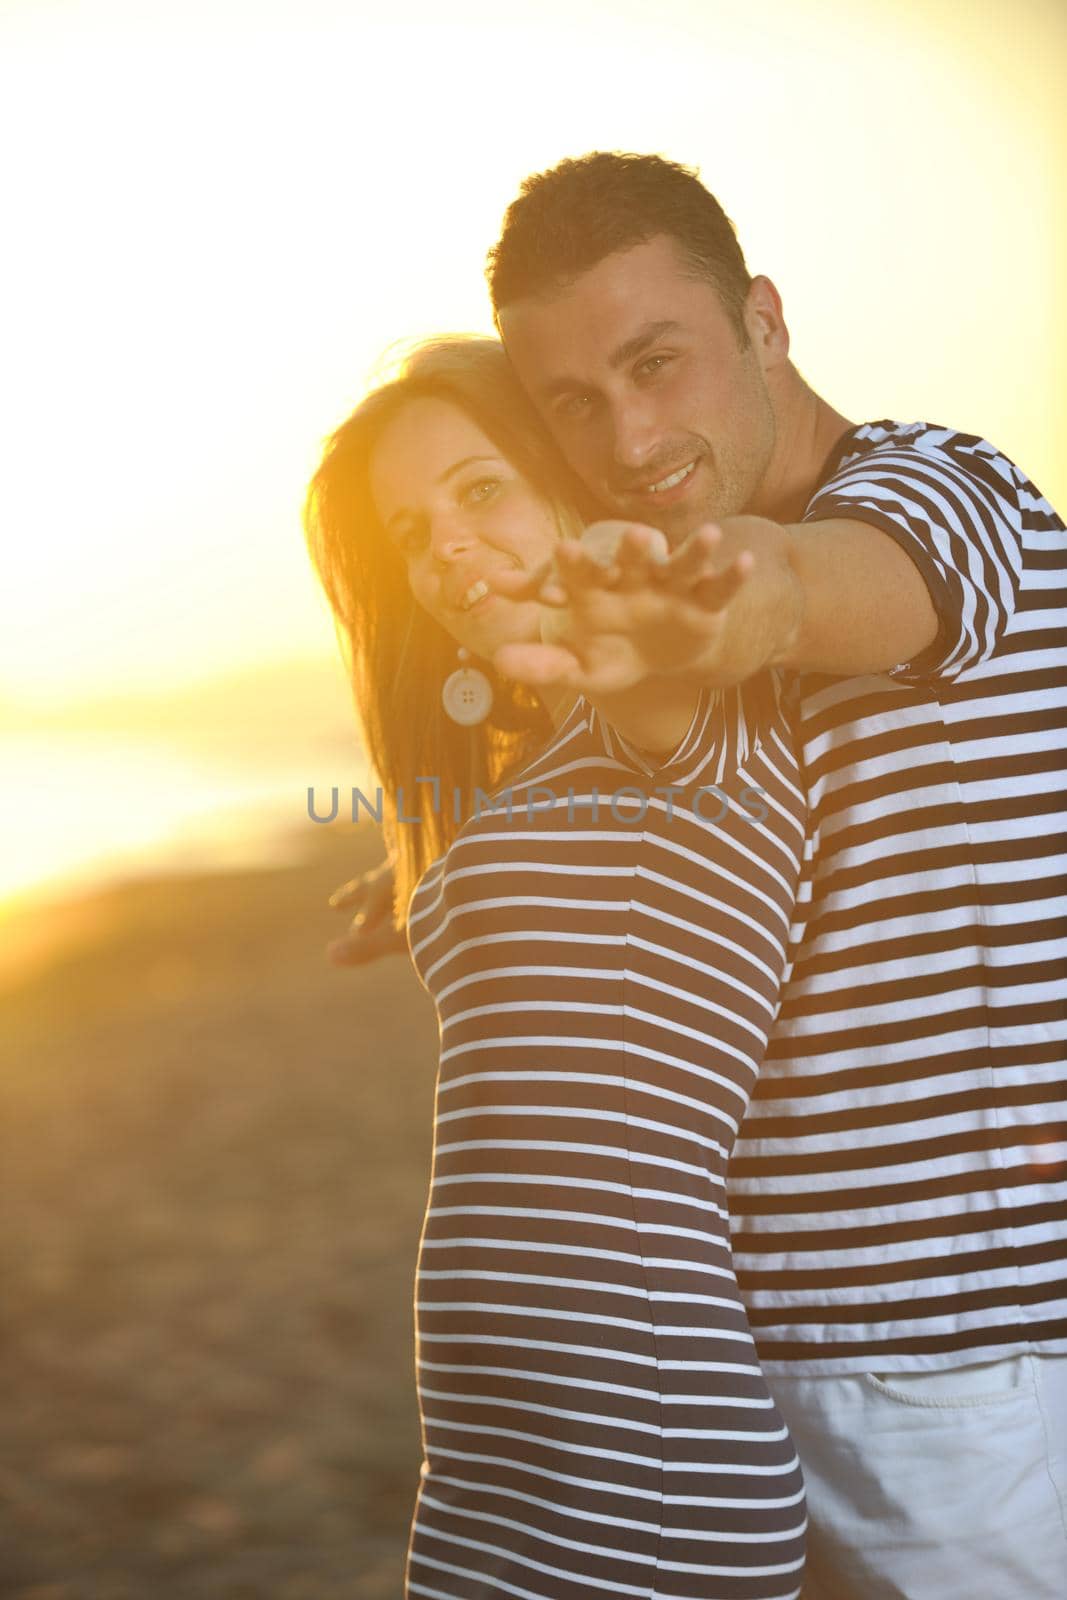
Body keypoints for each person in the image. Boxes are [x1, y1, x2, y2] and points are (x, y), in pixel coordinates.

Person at [331, 154, 1067, 1598]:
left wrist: (730, 611)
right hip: (754, 1340)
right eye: (575, 404)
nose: (629, 433)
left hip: (946, 1360)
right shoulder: (649, 637)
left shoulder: (941, 495)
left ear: (765, 323)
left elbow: (807, 588)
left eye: (656, 363)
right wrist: (442, 860)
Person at [304, 336, 809, 1599]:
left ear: (566, 475)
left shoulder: (675, 701)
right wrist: (413, 882)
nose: (446, 551)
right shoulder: (542, 778)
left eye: (481, 491)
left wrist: (619, 586)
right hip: (499, 1434)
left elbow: (649, 666)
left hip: (632, 1428)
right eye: (412, 533)